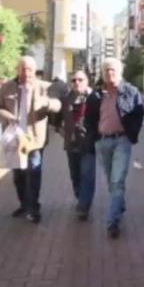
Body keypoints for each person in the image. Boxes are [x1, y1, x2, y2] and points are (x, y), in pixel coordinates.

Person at [0, 56, 61, 224]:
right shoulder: (7, 87)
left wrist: (47, 102)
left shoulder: (44, 87)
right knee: (18, 174)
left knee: (34, 172)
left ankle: (33, 208)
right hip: (15, 137)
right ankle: (24, 204)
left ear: (35, 71)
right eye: (23, 69)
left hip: (35, 139)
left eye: (30, 69)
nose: (26, 73)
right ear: (18, 70)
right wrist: (8, 117)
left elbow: (58, 104)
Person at [84, 58, 144, 238]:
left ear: (120, 72)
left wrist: (131, 133)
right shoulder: (95, 96)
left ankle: (112, 222)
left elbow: (139, 114)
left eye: (113, 70)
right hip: (103, 142)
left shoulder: (130, 92)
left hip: (122, 141)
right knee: (112, 180)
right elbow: (89, 119)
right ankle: (119, 204)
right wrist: (94, 137)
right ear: (103, 74)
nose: (110, 74)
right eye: (107, 70)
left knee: (117, 181)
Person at [62, 70, 95, 220]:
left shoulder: (94, 98)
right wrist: (63, 132)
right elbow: (55, 119)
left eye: (80, 80)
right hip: (71, 144)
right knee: (75, 175)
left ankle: (83, 206)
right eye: (74, 80)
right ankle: (80, 198)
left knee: (87, 175)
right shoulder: (66, 99)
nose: (77, 82)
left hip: (88, 144)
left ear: (86, 81)